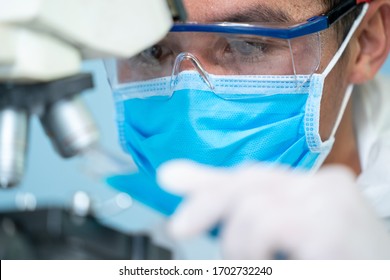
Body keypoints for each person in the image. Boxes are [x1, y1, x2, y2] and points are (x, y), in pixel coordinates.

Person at [105, 0, 390, 259]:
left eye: (247, 44)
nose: (189, 104)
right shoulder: (118, 215)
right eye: (152, 50)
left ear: (365, 42)